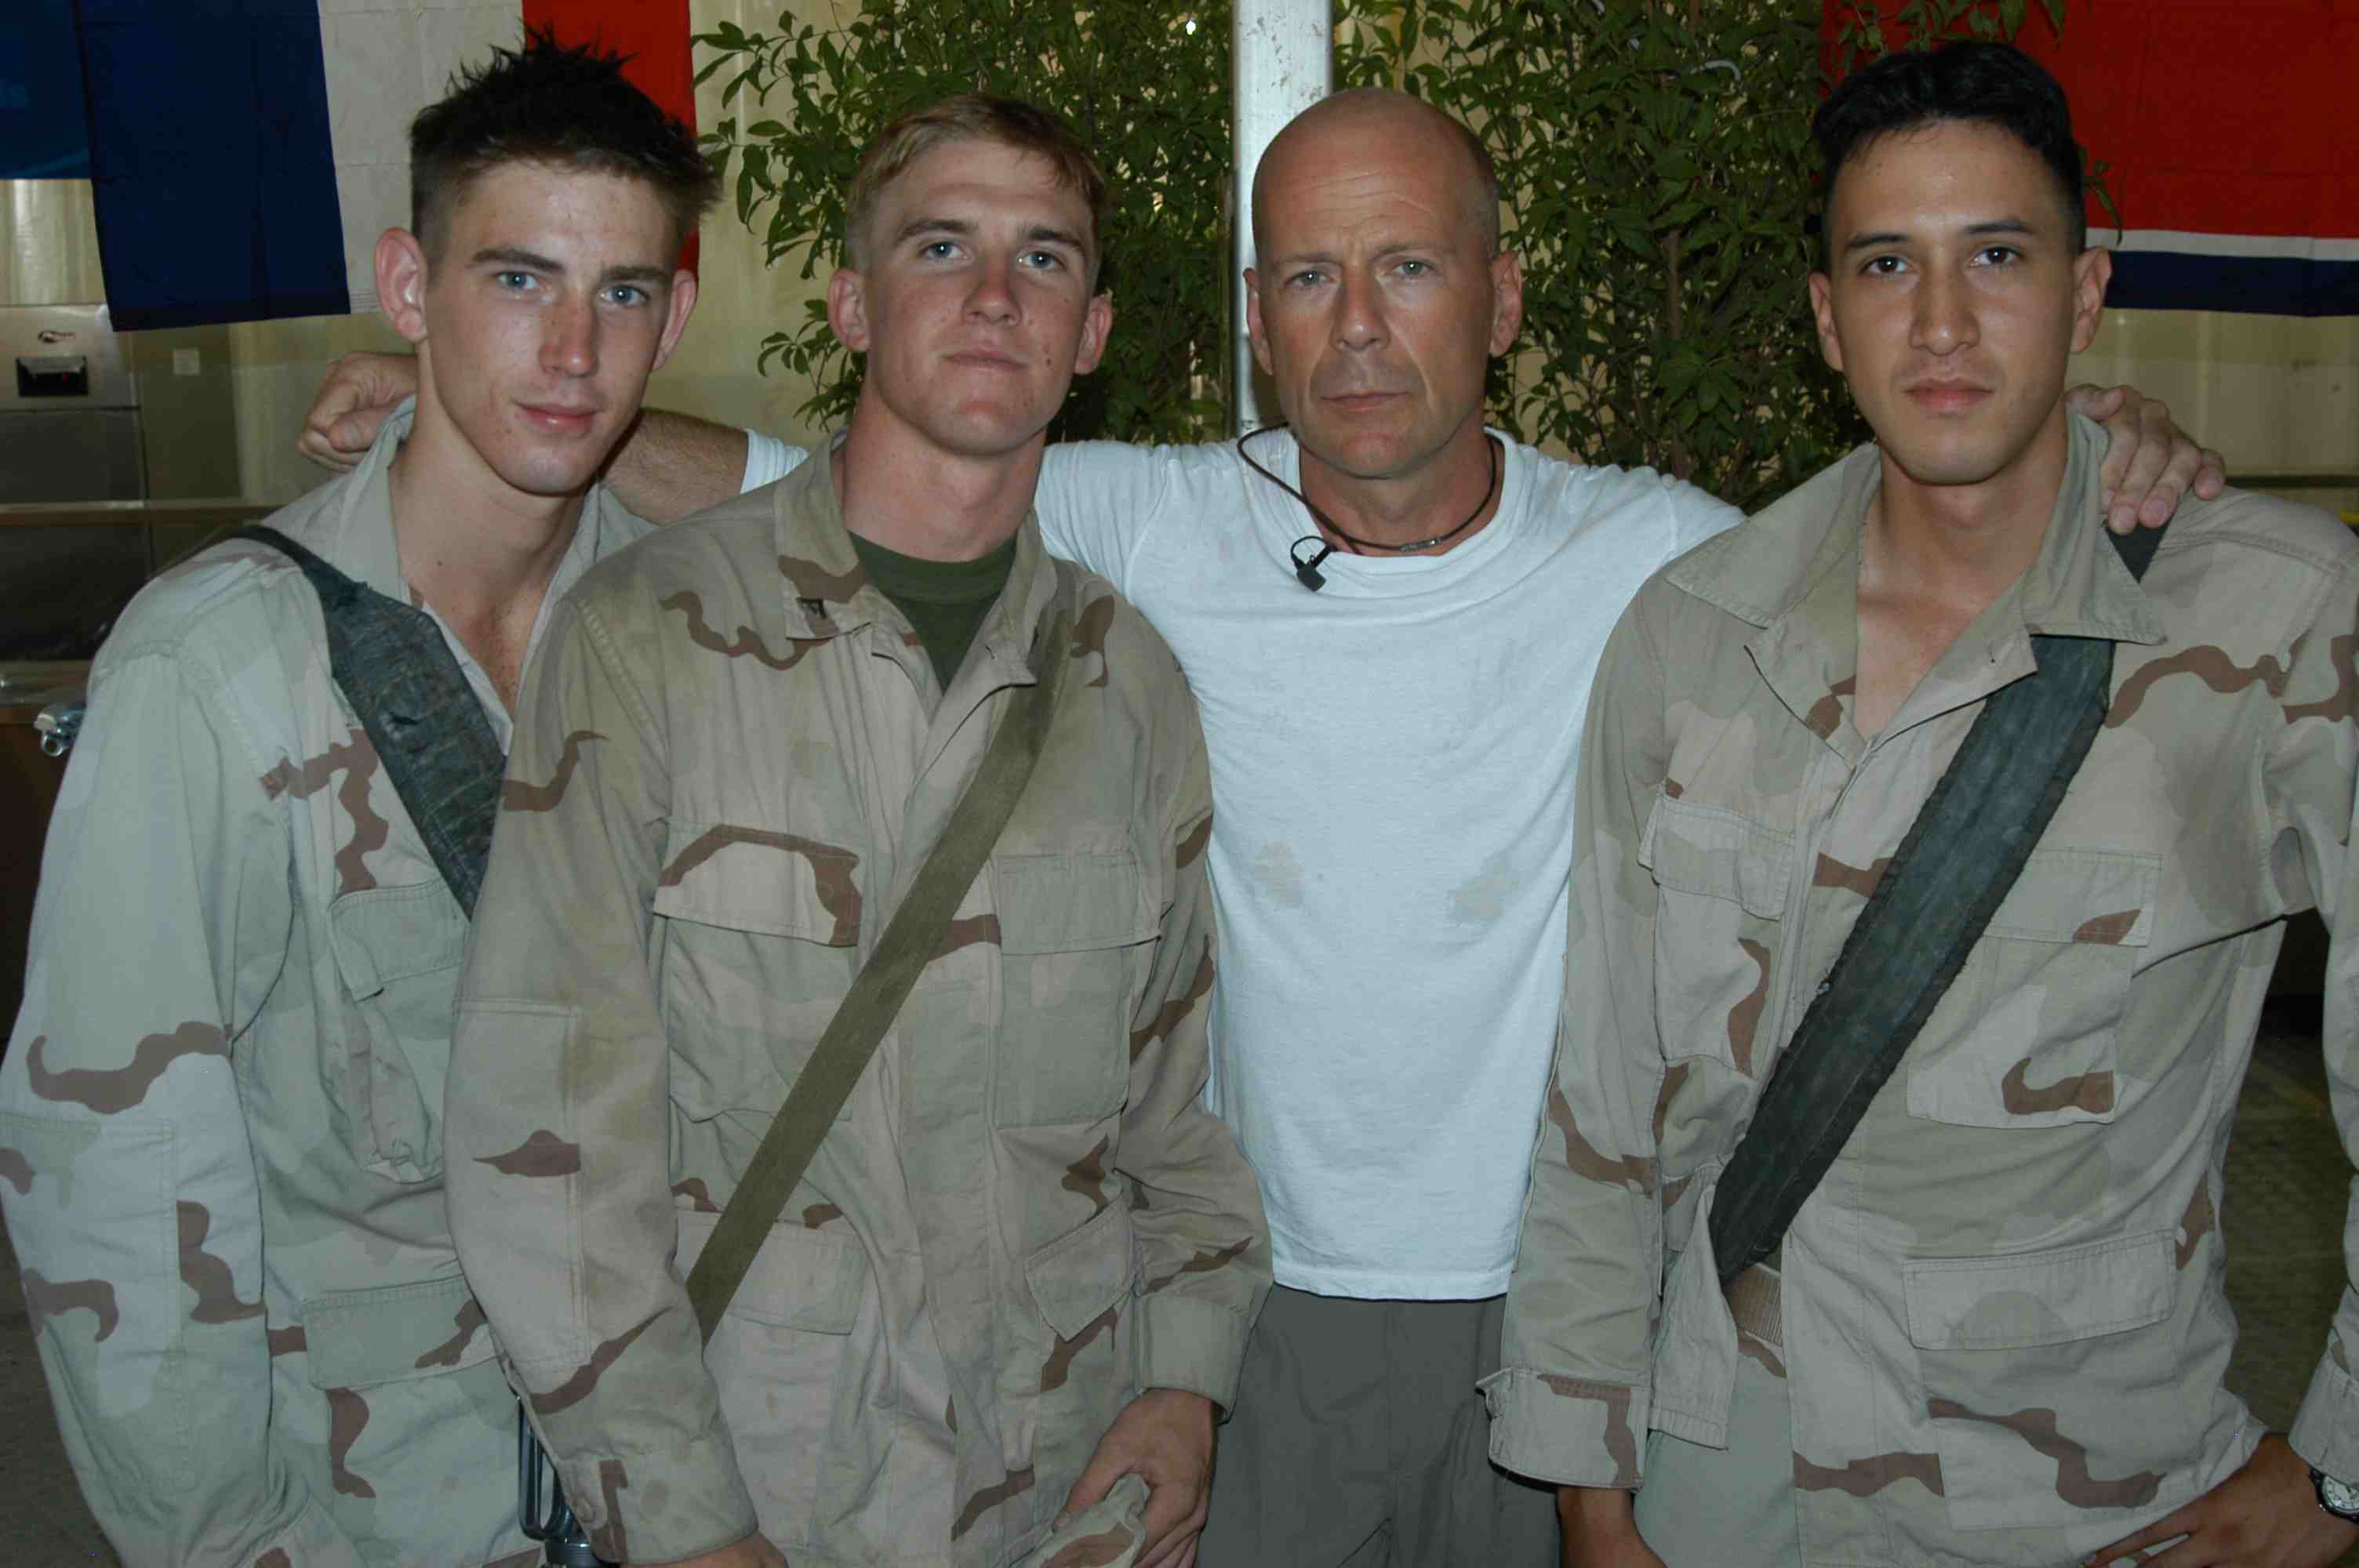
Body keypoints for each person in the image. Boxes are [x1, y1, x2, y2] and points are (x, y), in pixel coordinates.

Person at [302, 86, 2221, 1566]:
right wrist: (482, 402)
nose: (1359, 328)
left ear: (1502, 298)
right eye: (1308, 276)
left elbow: (1922, 533)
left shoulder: (1660, 561)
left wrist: (2096, 436)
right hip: (1255, 1316)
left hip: (1564, 1308)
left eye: (1410, 270)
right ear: (1251, 317)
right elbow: (841, 461)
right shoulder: (1143, 531)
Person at [1499, 40, 2359, 1568]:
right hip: (1725, 1482)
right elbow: (1602, 1102)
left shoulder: (2276, 620)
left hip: (2080, 1493)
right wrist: (1589, 1494)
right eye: (1887, 263)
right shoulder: (1696, 634)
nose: (1943, 321)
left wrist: (2343, 1469)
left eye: (1999, 256)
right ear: (1828, 318)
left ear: (2086, 295)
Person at [443, 95, 1272, 1568]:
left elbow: (1170, 1116)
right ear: (851, 306)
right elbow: (548, 1142)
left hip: (1060, 1486)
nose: (995, 295)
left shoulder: (1127, 687)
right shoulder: (649, 641)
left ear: (1090, 332)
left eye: (1045, 258)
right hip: (758, 1491)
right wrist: (684, 1524)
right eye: (941, 246)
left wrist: (1184, 1386)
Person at [0, 34, 798, 1566]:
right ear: (409, 287)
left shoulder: (704, 636)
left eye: (623, 292)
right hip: (384, 1506)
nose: (573, 351)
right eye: (518, 280)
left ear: (676, 317)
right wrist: (226, 1546)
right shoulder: (219, 666)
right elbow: (114, 1180)